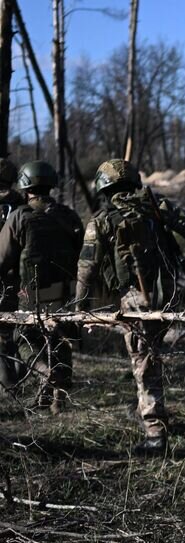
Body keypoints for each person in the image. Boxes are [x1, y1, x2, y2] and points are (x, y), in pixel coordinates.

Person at [76, 159, 185, 454]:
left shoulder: (101, 220)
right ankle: (145, 409)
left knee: (144, 361)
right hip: (169, 292)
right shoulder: (157, 206)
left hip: (137, 298)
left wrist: (79, 307)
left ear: (103, 188)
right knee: (150, 355)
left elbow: (86, 268)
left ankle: (155, 432)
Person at [0, 161, 83, 411]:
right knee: (60, 339)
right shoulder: (69, 215)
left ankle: (45, 372)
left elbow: (2, 257)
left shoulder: (20, 216)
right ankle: (57, 400)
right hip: (65, 289)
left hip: (31, 291)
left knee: (24, 337)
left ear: (25, 187)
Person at [0, 157, 26, 387]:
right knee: (15, 325)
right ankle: (19, 372)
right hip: (19, 274)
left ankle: (8, 381)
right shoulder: (22, 204)